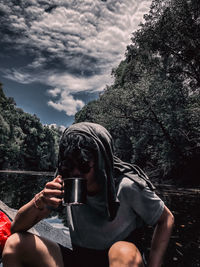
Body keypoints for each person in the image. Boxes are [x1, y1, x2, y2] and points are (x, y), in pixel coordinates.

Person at [2, 122, 174, 267]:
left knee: (122, 250)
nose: (75, 174)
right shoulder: (62, 182)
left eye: (84, 166)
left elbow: (165, 218)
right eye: (68, 166)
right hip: (80, 258)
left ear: (101, 163)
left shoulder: (127, 186)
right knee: (15, 244)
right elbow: (17, 228)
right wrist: (39, 201)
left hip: (120, 260)